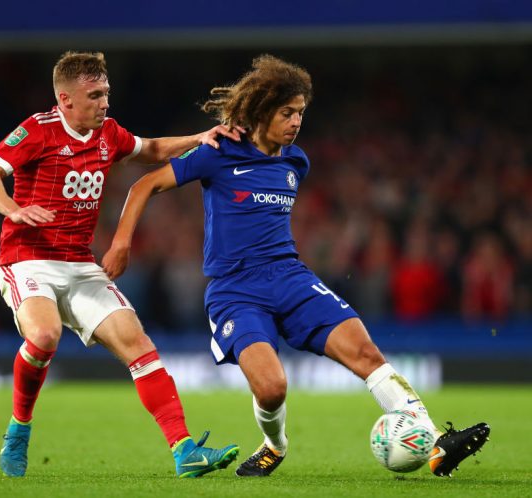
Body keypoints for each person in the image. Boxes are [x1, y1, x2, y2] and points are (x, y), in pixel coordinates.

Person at [103, 54, 490, 478]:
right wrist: (122, 243)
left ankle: (435, 442)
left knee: (365, 352)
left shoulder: (295, 162)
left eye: (301, 112)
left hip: (290, 278)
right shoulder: (218, 152)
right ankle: (275, 445)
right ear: (261, 112)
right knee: (272, 388)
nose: (296, 122)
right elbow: (145, 184)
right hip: (235, 290)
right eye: (286, 112)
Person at [0, 51, 243, 478]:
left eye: (106, 93)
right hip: (28, 260)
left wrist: (200, 137)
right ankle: (19, 429)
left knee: (138, 343)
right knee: (44, 335)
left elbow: (151, 148)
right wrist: (13, 209)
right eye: (95, 95)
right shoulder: (37, 130)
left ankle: (184, 450)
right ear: (65, 99)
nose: (105, 103)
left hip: (80, 265)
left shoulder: (108, 134)